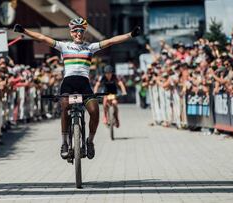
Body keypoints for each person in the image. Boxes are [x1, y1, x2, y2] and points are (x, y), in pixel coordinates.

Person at [14, 18, 140, 159]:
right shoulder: (64, 46)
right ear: (71, 32)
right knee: (65, 107)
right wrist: (24, 31)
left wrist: (130, 35)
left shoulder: (90, 47)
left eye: (81, 30)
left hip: (84, 84)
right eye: (75, 30)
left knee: (94, 111)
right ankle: (64, 143)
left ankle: (90, 141)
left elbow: (111, 41)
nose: (78, 33)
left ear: (84, 32)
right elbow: (42, 37)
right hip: (68, 83)